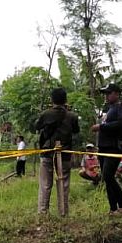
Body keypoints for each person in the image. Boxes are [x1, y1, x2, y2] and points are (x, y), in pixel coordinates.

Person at [35, 87, 80, 216]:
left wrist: (41, 115)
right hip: (65, 153)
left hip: (47, 153)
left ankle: (43, 212)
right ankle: (63, 212)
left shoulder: (46, 114)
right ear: (65, 100)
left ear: (51, 99)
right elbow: (76, 131)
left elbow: (36, 127)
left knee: (45, 184)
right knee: (64, 184)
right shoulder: (72, 116)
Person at [91, 83, 122, 215]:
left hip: (114, 147)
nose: (106, 96)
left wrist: (101, 127)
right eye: (105, 93)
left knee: (108, 175)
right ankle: (113, 208)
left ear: (116, 94)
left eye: (109, 93)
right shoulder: (109, 109)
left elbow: (121, 123)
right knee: (106, 178)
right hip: (103, 147)